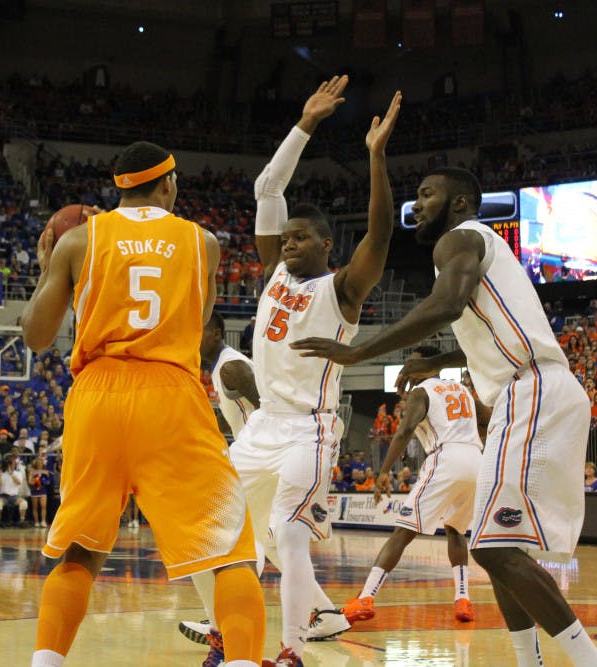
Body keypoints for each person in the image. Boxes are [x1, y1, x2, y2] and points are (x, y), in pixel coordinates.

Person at [291, 167, 597, 666]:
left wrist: (358, 353)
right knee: (498, 547)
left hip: (532, 391)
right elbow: (489, 335)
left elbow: (445, 306)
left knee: (492, 548)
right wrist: (436, 362)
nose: (415, 205)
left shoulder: (459, 240)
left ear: (459, 202)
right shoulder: (475, 254)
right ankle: (530, 662)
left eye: (426, 194)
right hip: (530, 390)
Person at [20, 139, 265, 667]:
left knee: (80, 549)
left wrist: (48, 270)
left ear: (120, 187)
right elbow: (197, 323)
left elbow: (37, 336)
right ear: (169, 183)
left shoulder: (80, 240)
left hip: (97, 395)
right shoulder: (205, 244)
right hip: (170, 392)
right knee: (230, 552)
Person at [228, 78, 400, 666]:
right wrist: (305, 124)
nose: (290, 244)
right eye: (287, 237)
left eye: (302, 238)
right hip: (263, 427)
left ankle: (291, 649)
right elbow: (267, 186)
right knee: (223, 519)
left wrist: (375, 158)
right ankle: (232, 634)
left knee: (290, 536)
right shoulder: (274, 272)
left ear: (328, 245)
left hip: (310, 427)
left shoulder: (342, 289)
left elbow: (380, 234)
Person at [180, 309, 349, 664]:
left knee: (234, 541)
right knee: (270, 543)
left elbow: (270, 409)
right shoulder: (220, 368)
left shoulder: (232, 366)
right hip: (260, 459)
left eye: (196, 331)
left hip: (272, 456)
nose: (190, 339)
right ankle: (327, 613)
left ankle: (225, 625)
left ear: (213, 333)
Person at [344, 345, 485, 627]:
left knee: (403, 531)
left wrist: (384, 471)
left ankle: (366, 597)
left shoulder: (422, 392)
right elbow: (487, 420)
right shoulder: (462, 390)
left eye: (413, 364)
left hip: (446, 457)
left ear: (430, 367)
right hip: (476, 459)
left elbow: (405, 431)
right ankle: (462, 599)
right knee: (456, 530)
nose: (409, 369)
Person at [0, 454, 29, 527]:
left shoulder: (18, 473)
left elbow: (18, 482)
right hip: (3, 496)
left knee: (24, 503)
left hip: (14, 496)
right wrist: (0, 472)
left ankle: (22, 521)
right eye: (9, 464)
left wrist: (11, 474)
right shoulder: (1, 474)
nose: (10, 465)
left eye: (12, 464)